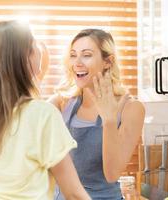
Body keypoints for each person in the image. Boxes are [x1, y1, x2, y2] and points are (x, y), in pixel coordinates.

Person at [0, 20, 90, 200]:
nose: (40, 47)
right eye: (34, 43)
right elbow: (73, 194)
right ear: (23, 57)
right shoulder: (43, 115)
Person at [49, 29, 145, 199]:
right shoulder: (62, 103)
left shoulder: (131, 108)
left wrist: (108, 120)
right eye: (73, 55)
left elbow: (112, 174)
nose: (77, 63)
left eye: (86, 55)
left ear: (108, 61)